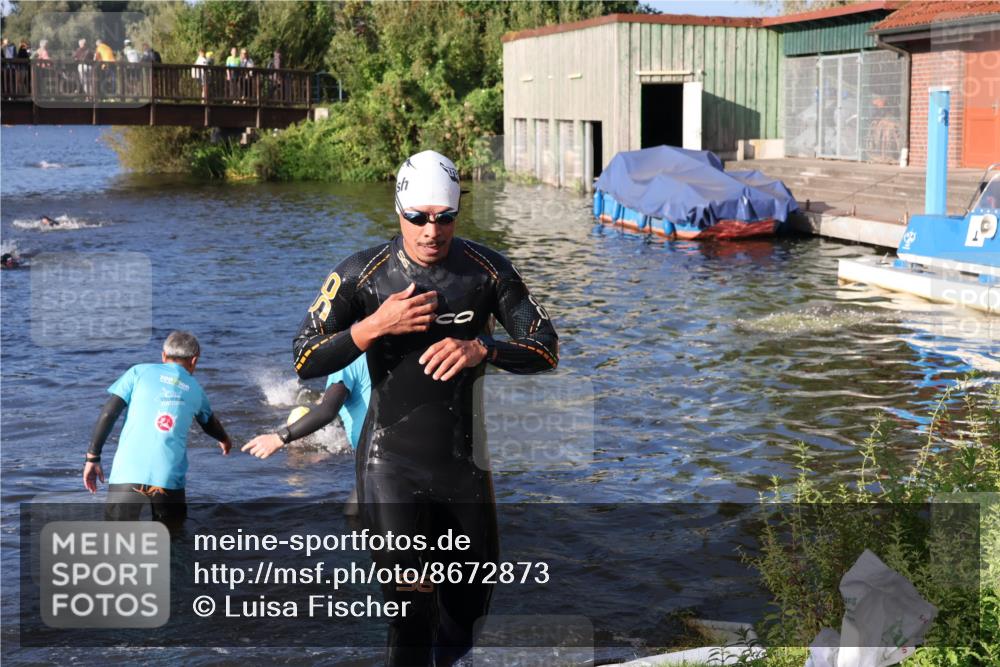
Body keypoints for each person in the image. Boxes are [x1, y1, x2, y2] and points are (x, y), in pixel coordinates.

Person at [292, 150, 559, 665]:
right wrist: (373, 328)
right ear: (399, 210)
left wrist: (484, 349)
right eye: (417, 217)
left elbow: (545, 346)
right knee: (410, 616)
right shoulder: (361, 276)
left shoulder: (487, 272)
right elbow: (304, 356)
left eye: (444, 218)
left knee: (463, 622)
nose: (431, 231)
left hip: (464, 471)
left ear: (458, 213)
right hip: (390, 464)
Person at [83, 331, 233, 530]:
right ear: (194, 361)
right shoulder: (195, 389)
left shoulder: (137, 372)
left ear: (163, 356)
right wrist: (224, 439)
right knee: (172, 543)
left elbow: (109, 413)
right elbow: (209, 423)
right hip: (168, 478)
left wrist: (93, 457)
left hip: (128, 473)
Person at [243, 353, 371, 513]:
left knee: (355, 517)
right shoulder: (390, 353)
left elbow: (327, 410)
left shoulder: (347, 361)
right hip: (386, 454)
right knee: (353, 516)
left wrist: (279, 438)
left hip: (378, 458)